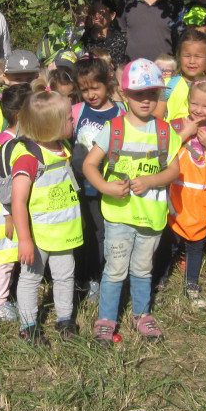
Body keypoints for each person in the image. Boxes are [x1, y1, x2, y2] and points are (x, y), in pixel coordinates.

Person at [83, 59, 181, 344]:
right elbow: (90, 165)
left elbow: (174, 170)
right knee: (114, 270)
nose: (146, 100)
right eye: (139, 94)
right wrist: (105, 188)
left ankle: (141, 314)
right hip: (118, 215)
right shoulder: (113, 129)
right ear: (124, 95)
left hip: (151, 216)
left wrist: (151, 181)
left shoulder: (164, 131)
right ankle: (106, 319)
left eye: (153, 94)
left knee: (142, 269)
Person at [11, 90, 83, 345]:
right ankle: (28, 325)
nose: (73, 121)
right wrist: (24, 240)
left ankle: (65, 318)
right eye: (68, 118)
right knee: (31, 277)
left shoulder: (63, 148)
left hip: (63, 229)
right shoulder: (29, 159)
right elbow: (18, 201)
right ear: (51, 126)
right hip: (38, 233)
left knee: (65, 275)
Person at [71, 57, 125, 302]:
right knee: (82, 233)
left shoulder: (120, 112)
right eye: (84, 89)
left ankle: (98, 278)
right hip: (79, 186)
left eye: (96, 87)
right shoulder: (77, 111)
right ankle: (80, 276)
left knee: (103, 234)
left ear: (108, 83)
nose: (90, 94)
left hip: (108, 186)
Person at [165, 79, 206, 309]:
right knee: (168, 243)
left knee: (195, 245)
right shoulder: (176, 125)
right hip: (176, 198)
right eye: (194, 103)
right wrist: (185, 132)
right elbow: (164, 153)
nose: (198, 109)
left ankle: (192, 285)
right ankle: (160, 281)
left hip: (200, 202)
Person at [0, 83, 32, 321]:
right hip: (3, 213)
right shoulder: (4, 145)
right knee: (2, 260)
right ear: (21, 115)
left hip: (13, 211)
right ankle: (0, 303)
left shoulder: (22, 140)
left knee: (13, 256)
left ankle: (12, 296)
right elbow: (1, 185)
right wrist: (9, 215)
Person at [153, 28, 206, 120]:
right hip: (173, 133)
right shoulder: (166, 85)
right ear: (179, 56)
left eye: (198, 56)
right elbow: (157, 117)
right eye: (187, 56)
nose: (192, 61)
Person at [80, 0, 127, 68]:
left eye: (101, 12)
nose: (97, 15)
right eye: (94, 12)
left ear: (112, 15)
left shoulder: (118, 40)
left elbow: (116, 69)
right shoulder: (84, 36)